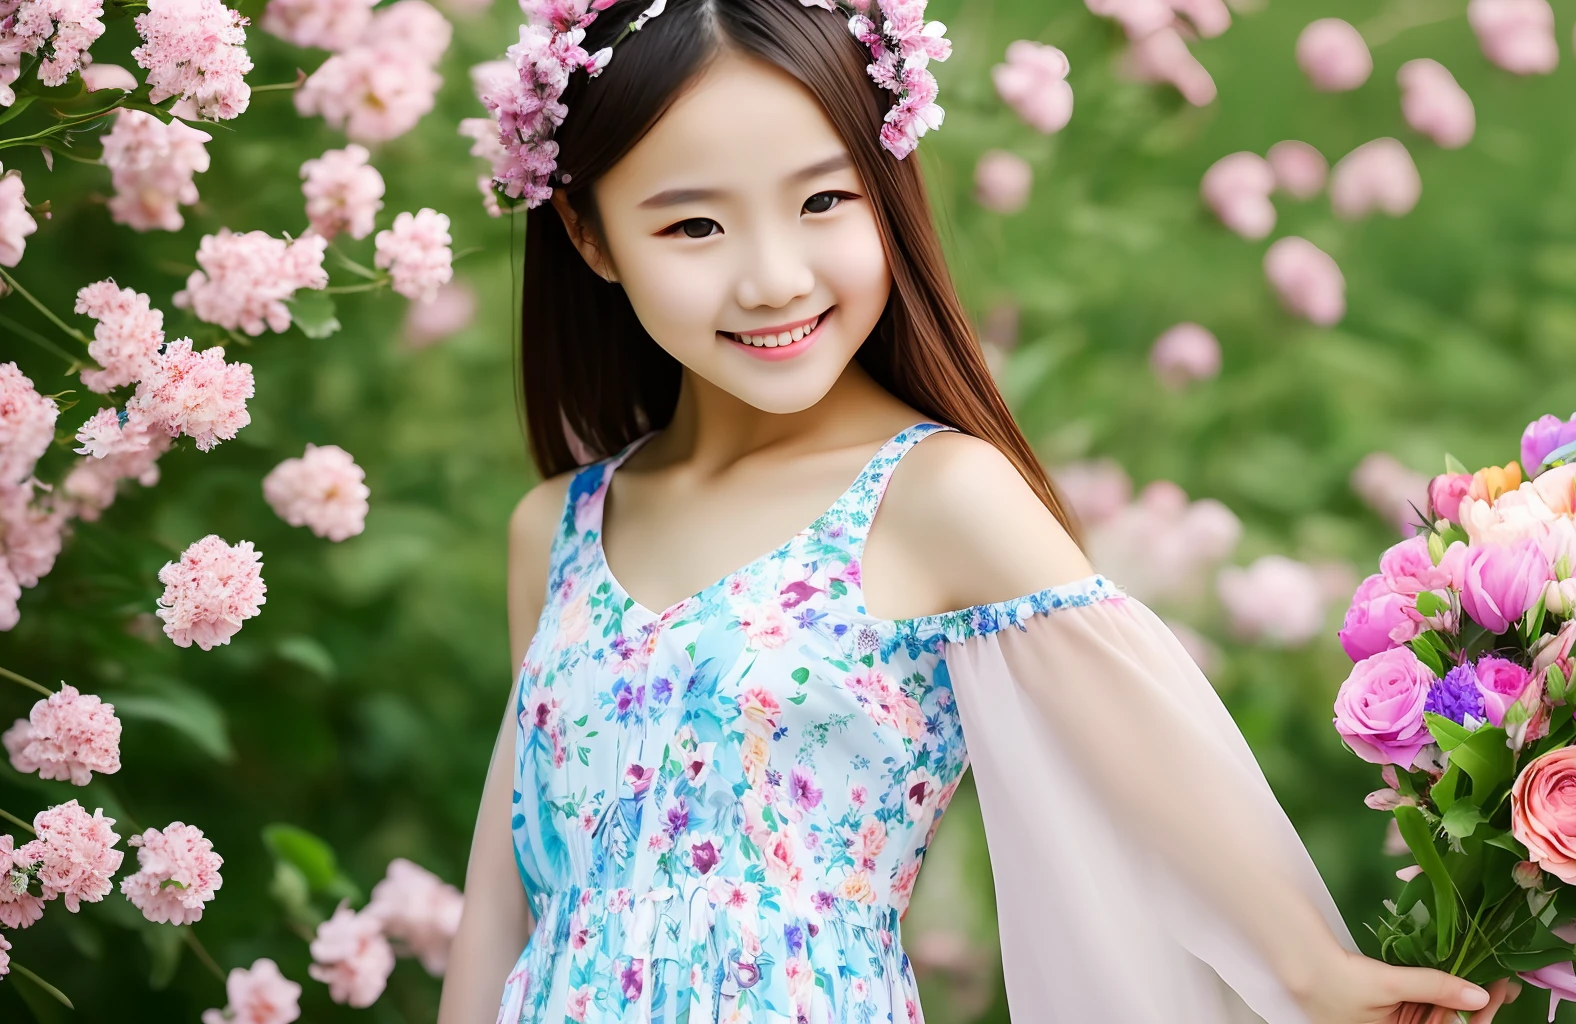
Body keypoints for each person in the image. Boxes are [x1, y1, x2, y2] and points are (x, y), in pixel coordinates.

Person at [438, 2, 1517, 1022]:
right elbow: (507, 897)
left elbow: (1147, 753)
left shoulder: (932, 496)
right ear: (587, 234)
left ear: (886, 190)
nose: (772, 278)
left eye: (823, 201)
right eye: (693, 226)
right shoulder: (560, 528)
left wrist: (1311, 970)